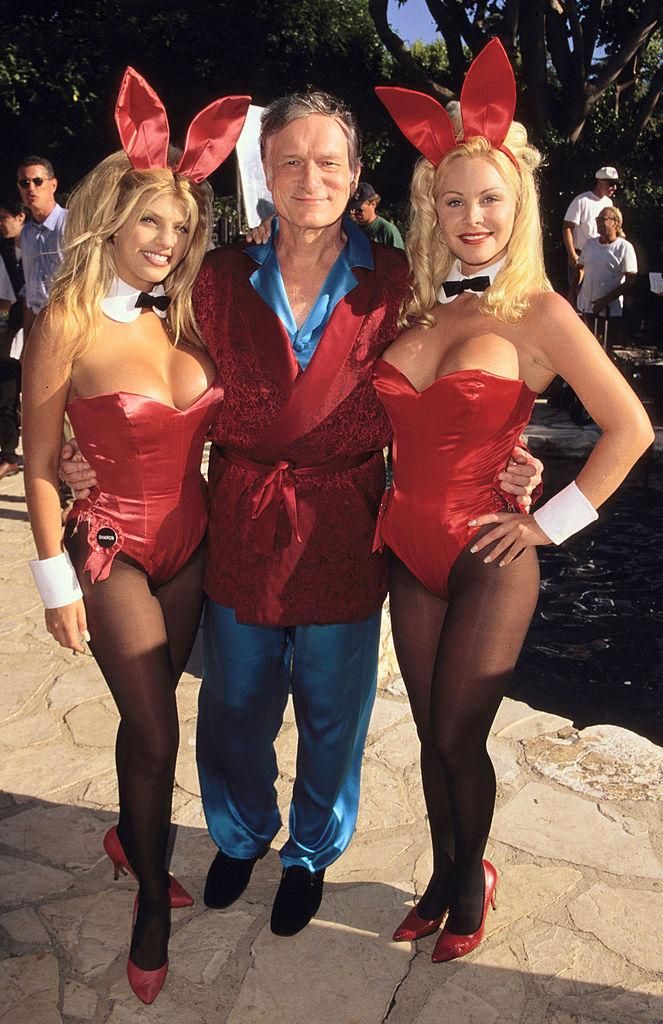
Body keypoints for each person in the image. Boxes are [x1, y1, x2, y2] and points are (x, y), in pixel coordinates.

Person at [60, 89, 542, 940]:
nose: (308, 178)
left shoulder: (400, 281)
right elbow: (143, 358)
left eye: (328, 162)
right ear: (264, 172)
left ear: (355, 175)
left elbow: (462, 369)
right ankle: (240, 834)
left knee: (332, 710)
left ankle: (311, 852)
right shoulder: (210, 279)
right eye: (289, 160)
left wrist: (505, 451)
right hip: (240, 516)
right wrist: (87, 445)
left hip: (346, 521)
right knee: (236, 703)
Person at [374, 39, 653, 963]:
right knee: (430, 735)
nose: (471, 217)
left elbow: (629, 428)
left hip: (489, 554)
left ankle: (469, 883)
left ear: (519, 205)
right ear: (430, 208)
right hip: (405, 546)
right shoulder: (418, 307)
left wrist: (547, 519)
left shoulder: (539, 312)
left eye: (488, 198)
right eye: (452, 200)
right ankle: (441, 873)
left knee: (460, 736)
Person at [23, 67, 250, 1004]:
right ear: (110, 217)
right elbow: (41, 462)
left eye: (182, 226)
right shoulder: (62, 322)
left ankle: (131, 836)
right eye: (151, 220)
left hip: (190, 548)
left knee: (146, 721)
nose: (167, 240)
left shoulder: (190, 316)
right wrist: (54, 583)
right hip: (110, 546)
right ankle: (151, 901)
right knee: (157, 730)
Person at [16, 156, 68, 342]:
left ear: (53, 185)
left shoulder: (71, 223)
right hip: (40, 328)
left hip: (69, 322)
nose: (31, 188)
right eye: (24, 183)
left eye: (38, 181)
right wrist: (27, 341)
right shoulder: (26, 234)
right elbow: (31, 292)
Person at [576, 205, 637, 349]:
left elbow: (630, 281)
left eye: (602, 219)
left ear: (615, 223)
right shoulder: (590, 244)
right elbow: (580, 268)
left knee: (604, 351)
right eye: (597, 219)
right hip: (587, 307)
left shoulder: (624, 247)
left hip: (610, 312)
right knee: (585, 348)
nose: (597, 222)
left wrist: (604, 301)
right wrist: (574, 292)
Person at [562, 166, 618, 300]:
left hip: (601, 255)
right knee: (577, 295)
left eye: (616, 184)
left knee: (595, 297)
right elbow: (567, 227)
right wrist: (572, 254)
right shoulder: (582, 200)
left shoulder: (608, 203)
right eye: (611, 184)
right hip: (581, 255)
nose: (614, 188)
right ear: (600, 181)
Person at [0, 199, 27, 480]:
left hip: (30, 328)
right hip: (10, 334)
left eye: (3, 217)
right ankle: (9, 454)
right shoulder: (5, 251)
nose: (0, 224)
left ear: (20, 217)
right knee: (7, 395)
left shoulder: (39, 245)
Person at [349, 181, 404, 248]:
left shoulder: (387, 231)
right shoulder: (350, 229)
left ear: (373, 204)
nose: (355, 213)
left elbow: (398, 254)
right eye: (352, 209)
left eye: (360, 209)